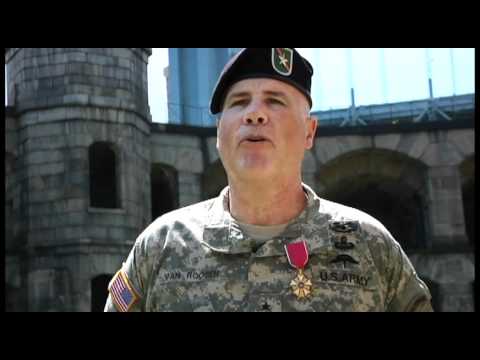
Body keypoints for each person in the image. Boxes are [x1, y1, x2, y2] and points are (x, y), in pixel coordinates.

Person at [104, 48, 433, 312]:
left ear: (309, 132)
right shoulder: (160, 246)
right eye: (239, 102)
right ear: (220, 134)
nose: (254, 113)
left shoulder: (371, 246)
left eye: (275, 101)